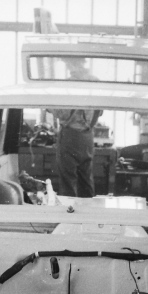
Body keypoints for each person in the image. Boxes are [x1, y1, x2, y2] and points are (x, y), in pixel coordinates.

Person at [53, 58, 102, 197]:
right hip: (87, 136)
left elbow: (62, 113)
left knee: (68, 181)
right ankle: (88, 209)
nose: (69, 67)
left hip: (70, 137)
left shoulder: (68, 84)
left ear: (75, 63)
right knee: (86, 179)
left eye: (69, 64)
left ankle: (69, 210)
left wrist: (49, 107)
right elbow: (100, 111)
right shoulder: (96, 82)